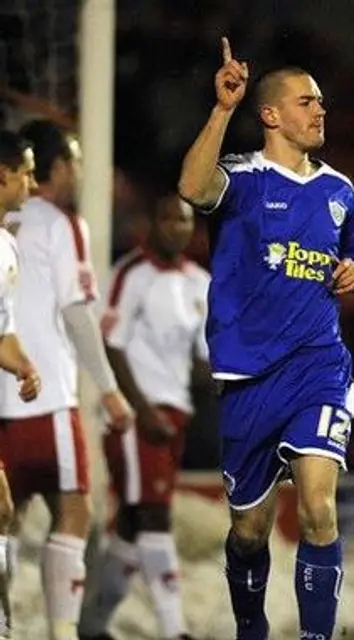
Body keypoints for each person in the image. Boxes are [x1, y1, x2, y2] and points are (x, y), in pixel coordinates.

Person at [178, 38, 354, 640]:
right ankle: (249, 629)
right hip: (248, 376)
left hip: (319, 366)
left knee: (318, 505)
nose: (320, 111)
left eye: (322, 102)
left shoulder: (340, 190)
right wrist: (220, 110)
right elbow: (191, 188)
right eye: (306, 101)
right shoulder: (240, 178)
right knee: (249, 532)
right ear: (270, 114)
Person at [0, 120, 134, 640]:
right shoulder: (59, 222)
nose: (79, 172)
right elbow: (77, 316)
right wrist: (110, 390)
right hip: (46, 402)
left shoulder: (9, 234)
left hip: (14, 388)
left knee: (7, 517)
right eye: (74, 161)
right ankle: (61, 633)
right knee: (74, 510)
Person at [78, 194, 210, 640]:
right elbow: (111, 343)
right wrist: (140, 407)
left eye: (185, 220)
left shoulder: (199, 283)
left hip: (175, 412)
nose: (177, 227)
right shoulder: (130, 274)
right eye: (169, 217)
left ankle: (92, 624)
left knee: (134, 526)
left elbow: (202, 358)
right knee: (154, 516)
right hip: (136, 416)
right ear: (152, 222)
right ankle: (175, 630)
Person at [0, 130, 42, 638]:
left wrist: (24, 367)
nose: (32, 183)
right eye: (27, 172)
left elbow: (2, 333)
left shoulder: (8, 247)